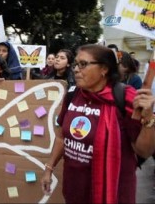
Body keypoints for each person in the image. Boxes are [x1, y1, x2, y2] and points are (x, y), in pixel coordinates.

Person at [41, 44, 155, 203]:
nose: (75, 69)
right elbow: (61, 137)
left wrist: (149, 118)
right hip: (74, 190)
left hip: (113, 193)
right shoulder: (73, 95)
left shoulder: (126, 97)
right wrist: (49, 168)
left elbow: (144, 151)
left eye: (83, 64)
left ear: (104, 69)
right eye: (75, 64)